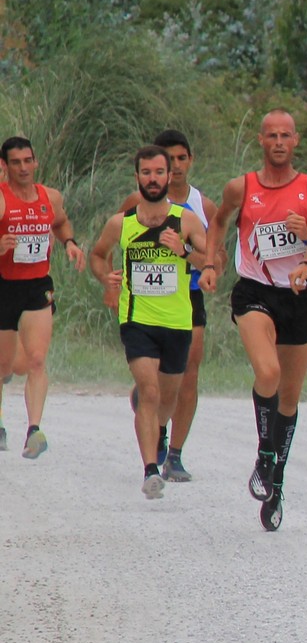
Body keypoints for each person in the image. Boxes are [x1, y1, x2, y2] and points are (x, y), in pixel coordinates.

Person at [212, 109, 307, 530]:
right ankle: (265, 450)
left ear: (296, 141)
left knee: (290, 398)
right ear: (260, 140)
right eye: (271, 135)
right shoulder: (240, 187)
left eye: (286, 135)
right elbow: (219, 221)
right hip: (254, 292)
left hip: (299, 297)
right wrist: (212, 259)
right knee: (268, 371)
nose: (279, 142)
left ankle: (276, 481)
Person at [87, 145, 212, 498]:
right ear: (137, 177)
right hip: (136, 318)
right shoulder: (122, 222)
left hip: (176, 321)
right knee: (150, 390)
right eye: (146, 173)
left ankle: (157, 428)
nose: (153, 179)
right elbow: (99, 255)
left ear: (169, 176)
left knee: (167, 396)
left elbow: (210, 259)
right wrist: (105, 277)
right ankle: (150, 470)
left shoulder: (186, 220)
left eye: (159, 172)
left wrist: (184, 251)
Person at [120, 129, 210, 481]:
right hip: (144, 305)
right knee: (152, 386)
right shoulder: (134, 203)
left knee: (188, 374)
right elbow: (121, 241)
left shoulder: (202, 206)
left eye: (179, 159)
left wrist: (193, 257)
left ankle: (175, 454)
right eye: (163, 162)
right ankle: (155, 434)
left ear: (188, 162)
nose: (171, 168)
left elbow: (213, 255)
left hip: (188, 297)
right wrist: (114, 282)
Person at [0, 135, 88, 459]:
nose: (23, 168)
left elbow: (61, 223)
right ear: (4, 166)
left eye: (28, 161)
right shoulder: (2, 199)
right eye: (16, 162)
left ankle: (34, 431)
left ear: (35, 162)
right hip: (3, 286)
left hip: (38, 285)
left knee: (37, 360)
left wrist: (70, 244)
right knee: (6, 364)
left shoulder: (50, 197)